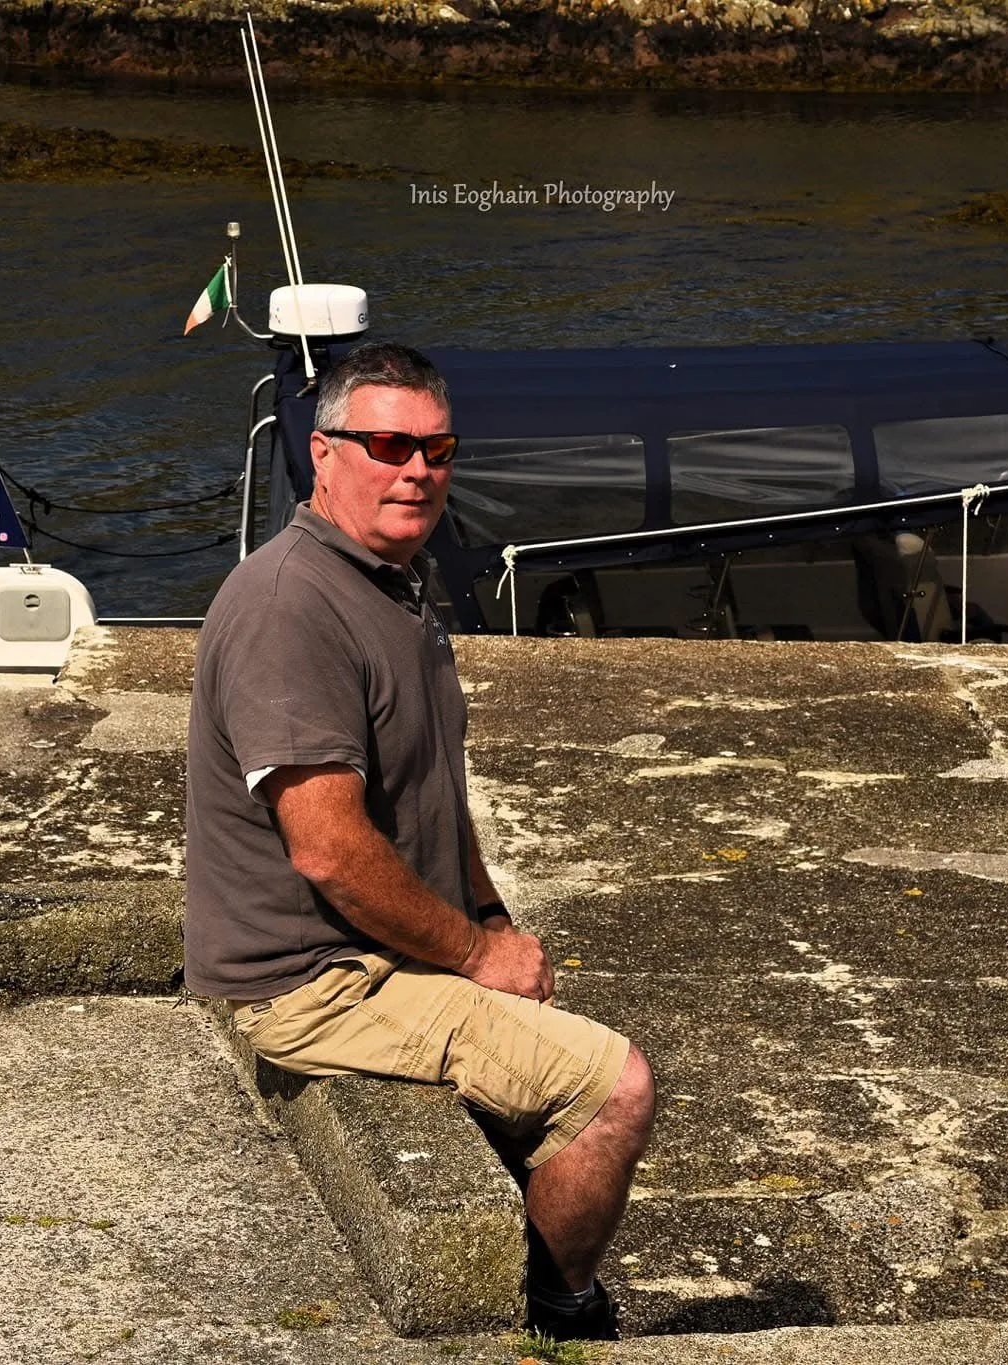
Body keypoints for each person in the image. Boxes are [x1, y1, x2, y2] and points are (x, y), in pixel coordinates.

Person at [183, 341, 655, 1341]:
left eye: (435, 449)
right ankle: (556, 1308)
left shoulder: (386, 580)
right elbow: (328, 851)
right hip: (315, 982)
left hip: (381, 954)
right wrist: (477, 954)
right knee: (615, 1088)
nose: (416, 470)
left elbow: (431, 788)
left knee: (539, 1042)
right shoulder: (290, 609)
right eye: (387, 445)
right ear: (322, 454)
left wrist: (487, 913)